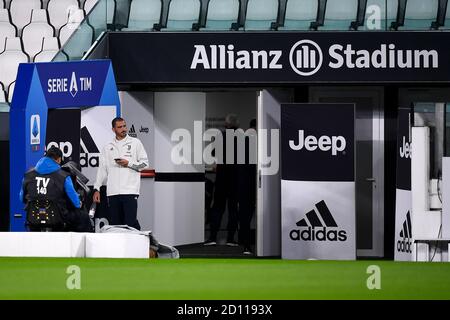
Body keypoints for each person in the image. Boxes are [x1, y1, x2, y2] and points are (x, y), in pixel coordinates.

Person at [93, 117, 148, 230]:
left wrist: (129, 163)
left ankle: (139, 245)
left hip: (130, 191)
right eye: (120, 127)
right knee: (115, 226)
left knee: (130, 224)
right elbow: (102, 169)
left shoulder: (135, 143)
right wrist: (96, 188)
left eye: (124, 126)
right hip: (112, 192)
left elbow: (145, 165)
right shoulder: (108, 146)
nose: (123, 129)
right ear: (113, 129)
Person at [20, 146, 92, 232]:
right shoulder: (64, 175)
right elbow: (76, 203)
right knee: (83, 217)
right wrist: (79, 203)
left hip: (33, 217)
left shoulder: (28, 175)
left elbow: (22, 198)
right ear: (58, 159)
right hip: (58, 218)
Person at [205, 114, 240, 246]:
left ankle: (213, 237)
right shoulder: (242, 136)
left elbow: (213, 153)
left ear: (228, 124)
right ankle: (231, 239)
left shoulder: (222, 136)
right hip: (235, 179)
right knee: (233, 210)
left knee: (217, 208)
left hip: (222, 178)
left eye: (225, 122)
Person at [237, 118, 257, 255]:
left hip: (247, 185)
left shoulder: (243, 142)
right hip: (250, 185)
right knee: (247, 216)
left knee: (246, 216)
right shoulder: (250, 142)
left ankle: (246, 244)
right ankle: (247, 245)